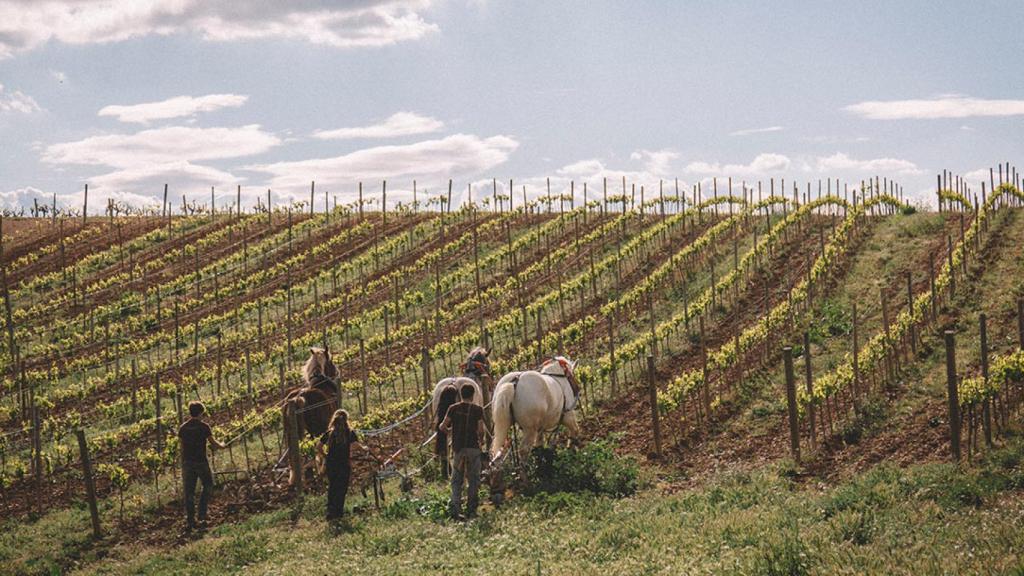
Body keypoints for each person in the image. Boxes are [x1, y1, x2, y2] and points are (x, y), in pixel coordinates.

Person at [178, 401, 226, 532]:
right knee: (208, 485)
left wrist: (183, 463)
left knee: (189, 492)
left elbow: (181, 448)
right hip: (201, 462)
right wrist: (222, 445)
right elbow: (213, 443)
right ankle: (202, 513)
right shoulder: (204, 427)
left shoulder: (183, 428)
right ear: (200, 413)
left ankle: (190, 520)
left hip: (187, 463)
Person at [440, 384, 485, 520]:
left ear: (460, 394)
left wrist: (450, 432)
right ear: (472, 395)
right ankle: (471, 508)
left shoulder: (453, 408)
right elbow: (481, 430)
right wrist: (481, 441)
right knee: (474, 479)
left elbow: (442, 426)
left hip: (458, 448)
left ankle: (456, 507)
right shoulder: (478, 410)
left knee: (456, 479)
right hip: (473, 448)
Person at [316, 409, 369, 521]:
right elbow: (356, 445)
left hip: (331, 464)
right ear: (346, 420)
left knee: (332, 487)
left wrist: (325, 455)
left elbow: (318, 446)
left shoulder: (330, 433)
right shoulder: (349, 433)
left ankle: (330, 512)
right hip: (343, 464)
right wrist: (364, 448)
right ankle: (338, 513)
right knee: (341, 489)